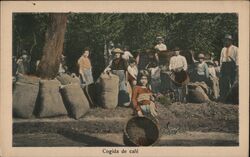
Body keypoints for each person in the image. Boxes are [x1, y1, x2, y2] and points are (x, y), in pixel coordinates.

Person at [219, 34, 238, 101]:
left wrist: (236, 67)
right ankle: (225, 98)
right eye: (225, 40)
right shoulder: (223, 49)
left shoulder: (235, 48)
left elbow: (237, 58)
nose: (226, 42)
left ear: (231, 41)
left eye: (228, 40)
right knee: (224, 82)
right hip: (224, 65)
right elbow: (221, 59)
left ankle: (234, 98)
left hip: (232, 65)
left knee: (233, 81)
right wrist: (221, 68)